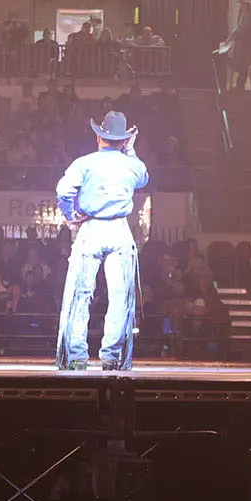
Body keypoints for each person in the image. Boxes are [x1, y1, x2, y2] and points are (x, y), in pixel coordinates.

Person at [53, 111, 149, 371]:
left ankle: (76, 356)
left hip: (91, 227)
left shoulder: (85, 163)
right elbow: (144, 178)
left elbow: (63, 190)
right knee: (119, 296)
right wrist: (130, 151)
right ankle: (112, 356)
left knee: (80, 293)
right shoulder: (132, 165)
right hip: (119, 229)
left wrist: (72, 215)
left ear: (99, 136)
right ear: (124, 139)